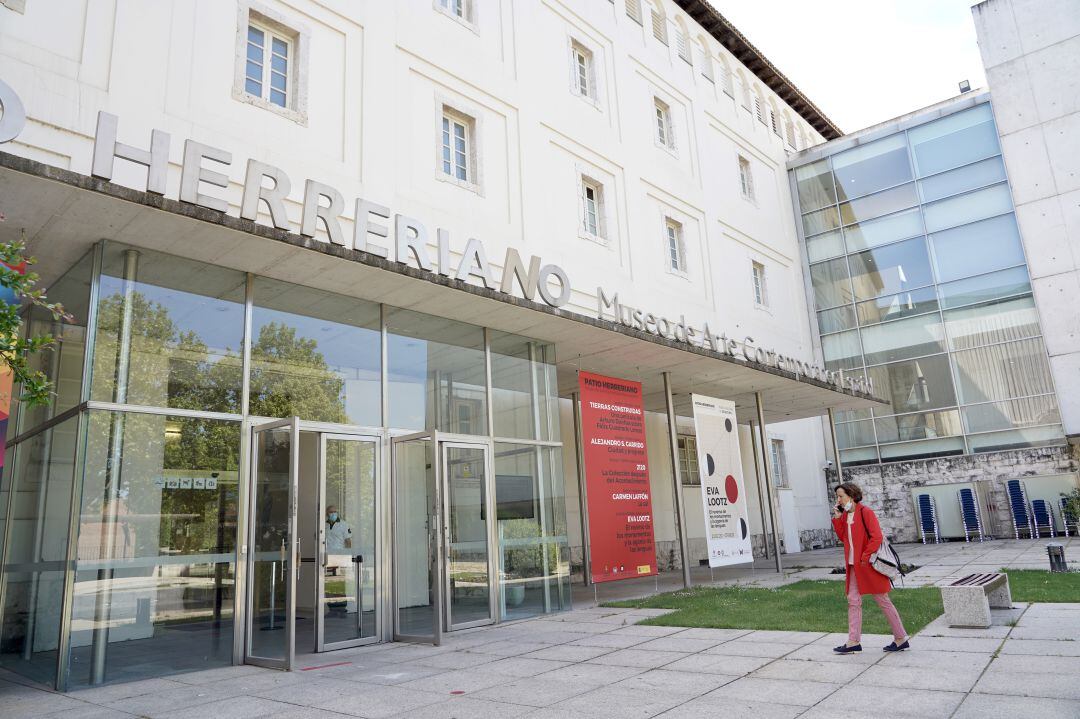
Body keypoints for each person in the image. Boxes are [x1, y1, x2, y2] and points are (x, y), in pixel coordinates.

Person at [831, 482, 910, 654]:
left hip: (868, 566)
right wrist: (838, 519)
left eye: (841, 496)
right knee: (853, 601)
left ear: (851, 496)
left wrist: (865, 558)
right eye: (837, 496)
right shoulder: (845, 516)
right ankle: (853, 641)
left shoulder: (865, 512)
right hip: (853, 566)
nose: (838, 500)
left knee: (882, 600)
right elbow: (844, 538)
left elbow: (876, 537)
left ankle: (900, 637)